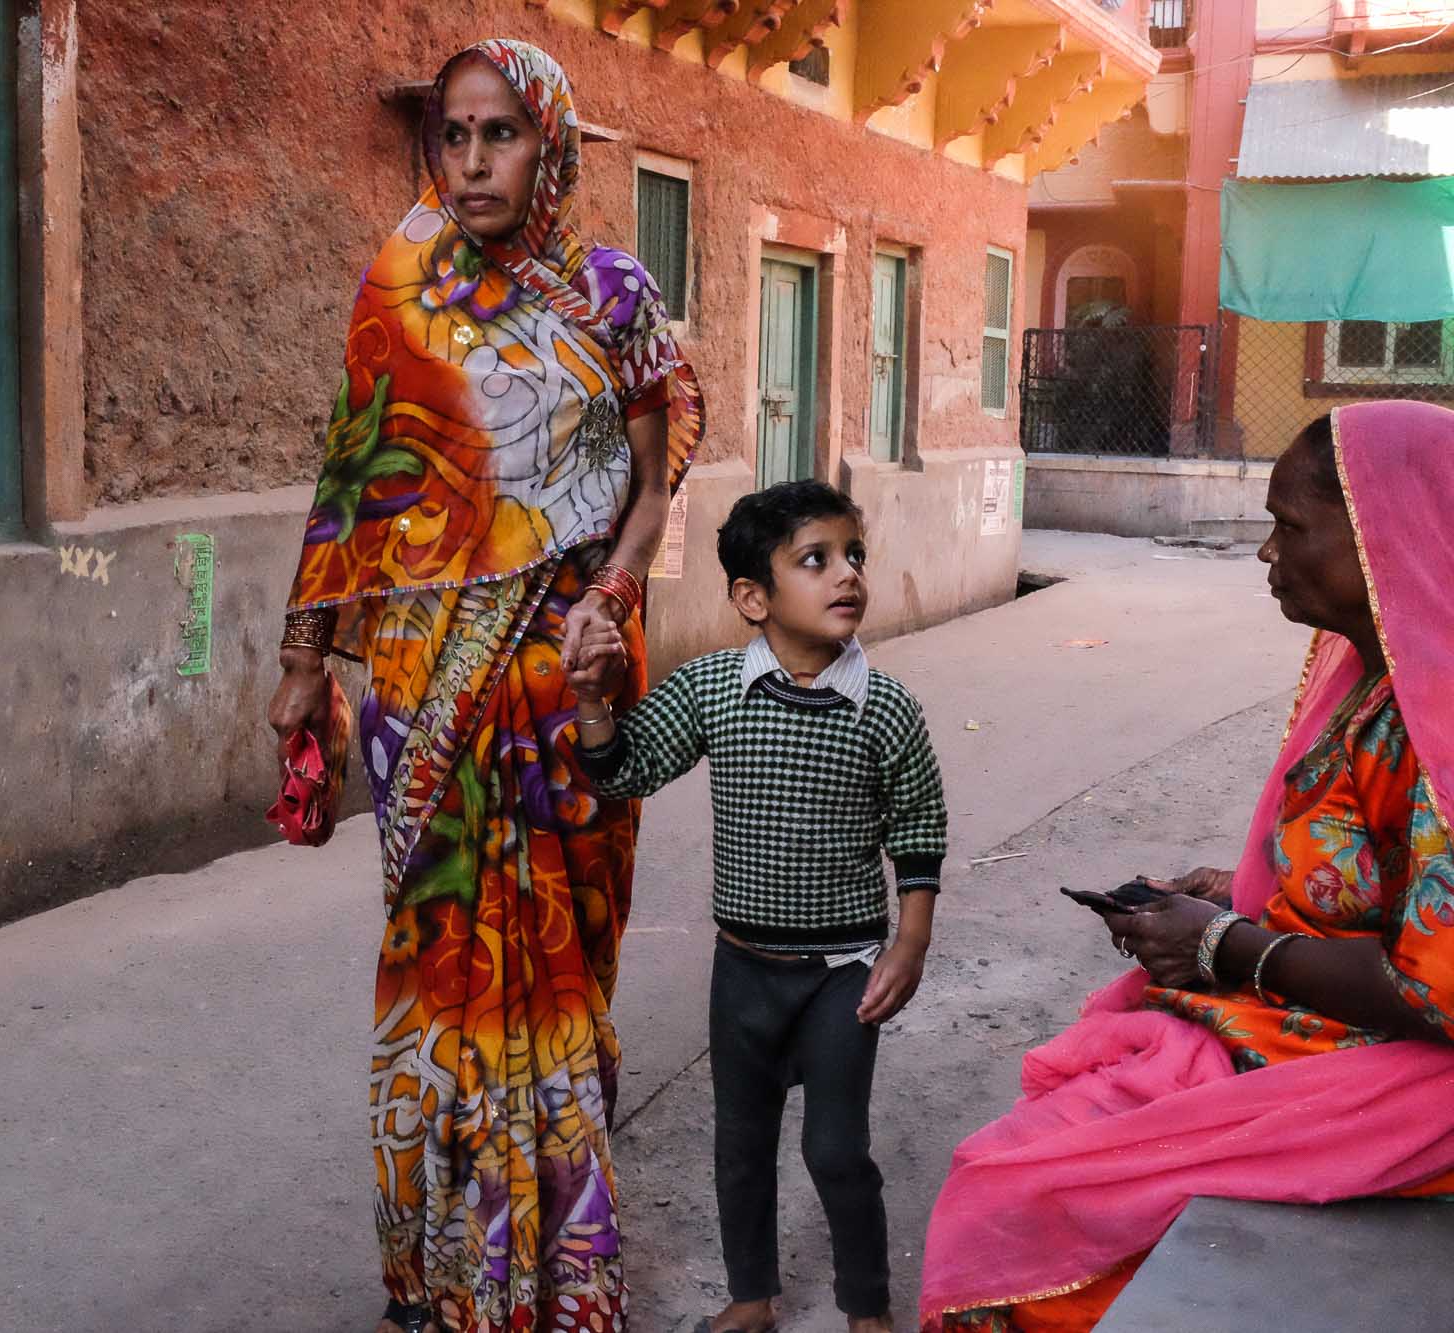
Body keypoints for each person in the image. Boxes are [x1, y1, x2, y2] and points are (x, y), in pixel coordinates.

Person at [265, 36, 704, 1333]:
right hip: (420, 688)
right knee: (439, 971)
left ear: (550, 143)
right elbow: (353, 477)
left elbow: (652, 469)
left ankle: (561, 1275)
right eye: (451, 135)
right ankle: (445, 1274)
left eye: (498, 132)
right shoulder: (399, 290)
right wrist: (303, 657)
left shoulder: (612, 293)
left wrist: (615, 598)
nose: (470, 160)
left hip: (565, 683)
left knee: (557, 974)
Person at [917, 402, 1454, 1332]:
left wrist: (1223, 945)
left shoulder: (1434, 717)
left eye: (1289, 526)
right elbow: (1356, 875)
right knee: (1026, 1157)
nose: (1265, 553)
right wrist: (1233, 896)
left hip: (1402, 1070)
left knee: (1015, 1195)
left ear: (1380, 535)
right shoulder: (1366, 673)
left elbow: (1437, 990)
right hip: (1306, 1021)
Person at [568, 482, 949, 1333]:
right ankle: (752, 1297)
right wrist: (594, 700)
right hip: (741, 968)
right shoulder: (712, 690)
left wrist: (911, 938)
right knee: (741, 1149)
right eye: (815, 560)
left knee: (835, 1150)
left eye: (854, 555)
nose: (845, 574)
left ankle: (867, 1307)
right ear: (752, 597)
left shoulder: (885, 711)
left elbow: (919, 827)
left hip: (843, 974)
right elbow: (624, 769)